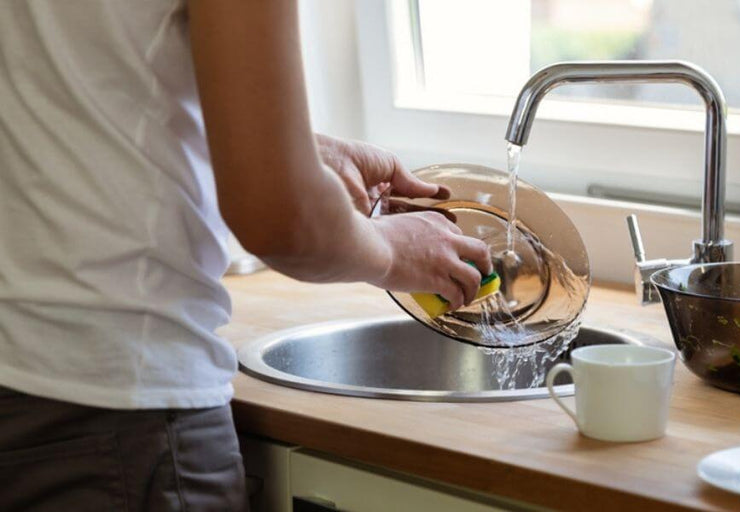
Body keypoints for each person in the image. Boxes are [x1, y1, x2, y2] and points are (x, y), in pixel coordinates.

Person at [0, 1, 491, 510]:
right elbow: (282, 220)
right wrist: (393, 248)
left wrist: (291, 148)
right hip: (115, 397)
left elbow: (77, 81)